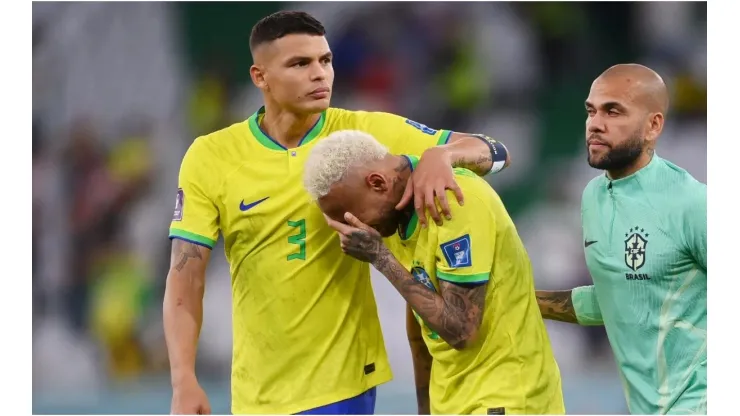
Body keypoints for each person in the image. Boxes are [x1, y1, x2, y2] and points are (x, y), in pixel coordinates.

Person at [164, 11, 512, 415]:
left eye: (325, 61)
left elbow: (496, 151)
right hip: (255, 393)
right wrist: (183, 379)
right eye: (300, 64)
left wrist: (442, 154)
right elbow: (185, 277)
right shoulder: (212, 156)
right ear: (260, 77)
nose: (320, 75)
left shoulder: (361, 133)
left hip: (344, 386)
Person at [303, 130, 565, 415]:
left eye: (349, 217)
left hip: (507, 397)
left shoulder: (453, 200)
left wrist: (381, 258)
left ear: (377, 183)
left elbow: (461, 330)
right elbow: (420, 323)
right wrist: (425, 408)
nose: (352, 229)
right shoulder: (395, 213)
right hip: (450, 402)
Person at [535, 64, 707, 415]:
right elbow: (620, 298)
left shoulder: (692, 203)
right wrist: (520, 299)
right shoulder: (593, 198)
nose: (595, 123)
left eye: (613, 111)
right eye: (591, 111)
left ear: (653, 126)